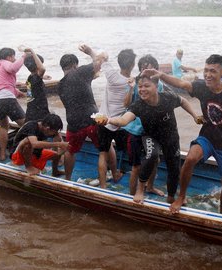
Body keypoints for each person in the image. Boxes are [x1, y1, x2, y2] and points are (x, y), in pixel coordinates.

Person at [142, 54, 222, 214]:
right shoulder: (201, 87)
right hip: (207, 137)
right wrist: (161, 75)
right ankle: (181, 197)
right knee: (190, 159)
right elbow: (182, 84)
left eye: (213, 71)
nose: (208, 75)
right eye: (206, 70)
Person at [98, 74, 200, 204]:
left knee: (174, 167)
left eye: (147, 86)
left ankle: (171, 197)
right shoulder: (139, 105)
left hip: (170, 136)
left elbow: (183, 101)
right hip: (150, 136)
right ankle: (140, 189)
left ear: (156, 87)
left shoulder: (168, 97)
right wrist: (108, 119)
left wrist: (195, 115)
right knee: (152, 155)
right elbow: (123, 120)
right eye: (140, 86)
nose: (142, 89)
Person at [57, 44, 106, 181]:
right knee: (105, 149)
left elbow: (77, 88)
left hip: (73, 123)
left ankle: (67, 178)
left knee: (70, 151)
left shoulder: (59, 85)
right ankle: (112, 173)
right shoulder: (79, 72)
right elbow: (99, 61)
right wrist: (90, 51)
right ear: (74, 65)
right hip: (92, 119)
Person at [123, 54, 166, 197]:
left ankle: (150, 187)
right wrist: (130, 88)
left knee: (155, 160)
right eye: (142, 69)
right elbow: (127, 105)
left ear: (155, 70)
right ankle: (131, 195)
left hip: (152, 131)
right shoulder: (136, 83)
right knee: (136, 166)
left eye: (149, 69)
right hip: (135, 130)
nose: (145, 72)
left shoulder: (160, 86)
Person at [96, 49, 137, 188]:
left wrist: (104, 56)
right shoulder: (132, 83)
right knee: (131, 151)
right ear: (132, 64)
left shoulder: (111, 75)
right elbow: (129, 104)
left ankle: (103, 186)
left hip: (102, 120)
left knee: (103, 153)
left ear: (119, 63)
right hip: (120, 124)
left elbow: (100, 58)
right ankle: (128, 177)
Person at [0, 46, 29, 160]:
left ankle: (2, 154)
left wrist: (19, 93)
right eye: (13, 57)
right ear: (8, 56)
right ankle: (24, 152)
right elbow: (13, 68)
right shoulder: (5, 63)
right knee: (26, 125)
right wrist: (24, 56)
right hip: (6, 99)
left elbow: (4, 86)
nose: (14, 59)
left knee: (4, 126)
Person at [24, 49, 50, 122]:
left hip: (30, 111)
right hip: (39, 112)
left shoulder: (30, 78)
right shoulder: (36, 78)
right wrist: (32, 52)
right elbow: (42, 69)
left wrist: (42, 77)